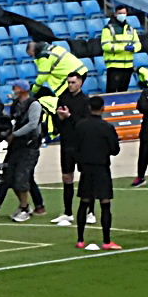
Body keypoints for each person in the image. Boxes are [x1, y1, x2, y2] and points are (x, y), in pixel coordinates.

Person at [0, 80, 44, 221]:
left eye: (16, 87)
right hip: (17, 145)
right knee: (11, 175)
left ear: (23, 89)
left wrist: (14, 134)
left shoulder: (34, 105)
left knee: (21, 177)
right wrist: (4, 133)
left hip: (29, 145)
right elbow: (13, 122)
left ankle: (25, 208)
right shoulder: (16, 104)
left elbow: (32, 124)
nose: (13, 89)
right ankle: (30, 205)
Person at [71, 95, 122, 251]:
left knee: (84, 202)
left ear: (88, 108)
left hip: (86, 168)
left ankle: (80, 239)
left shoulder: (80, 126)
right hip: (101, 167)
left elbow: (74, 147)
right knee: (105, 203)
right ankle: (106, 240)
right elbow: (115, 150)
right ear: (103, 109)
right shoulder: (107, 127)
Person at [50, 71, 90, 227]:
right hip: (66, 143)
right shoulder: (63, 98)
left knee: (86, 176)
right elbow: (56, 121)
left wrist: (69, 117)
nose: (70, 85)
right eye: (69, 82)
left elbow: (84, 124)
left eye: (73, 82)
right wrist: (59, 118)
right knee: (67, 177)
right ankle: (68, 212)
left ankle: (90, 212)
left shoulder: (85, 101)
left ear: (80, 83)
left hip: (81, 144)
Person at [101, 5, 140, 92]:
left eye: (124, 13)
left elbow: (138, 43)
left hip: (128, 65)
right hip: (114, 65)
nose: (122, 15)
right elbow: (105, 45)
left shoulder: (130, 28)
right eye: (120, 13)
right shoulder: (108, 28)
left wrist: (134, 48)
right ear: (115, 14)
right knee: (111, 91)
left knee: (123, 91)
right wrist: (124, 48)